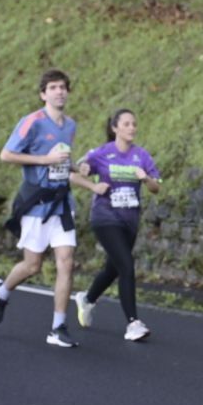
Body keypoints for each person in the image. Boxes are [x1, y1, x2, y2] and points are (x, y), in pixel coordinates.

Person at [0, 69, 97, 348]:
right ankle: (2, 292)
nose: (59, 92)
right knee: (32, 265)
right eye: (53, 87)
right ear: (43, 94)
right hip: (36, 203)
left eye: (63, 87)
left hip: (62, 203)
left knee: (66, 262)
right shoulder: (32, 122)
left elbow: (61, 160)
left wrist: (76, 167)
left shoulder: (69, 125)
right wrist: (44, 159)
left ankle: (58, 327)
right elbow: (6, 154)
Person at [72, 108, 161, 341]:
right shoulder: (102, 153)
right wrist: (92, 185)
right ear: (115, 128)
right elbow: (76, 173)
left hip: (129, 220)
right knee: (126, 265)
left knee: (114, 268)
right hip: (104, 218)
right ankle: (133, 323)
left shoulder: (141, 155)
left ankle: (88, 299)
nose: (132, 128)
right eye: (127, 124)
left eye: (134, 123)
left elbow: (155, 187)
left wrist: (145, 179)